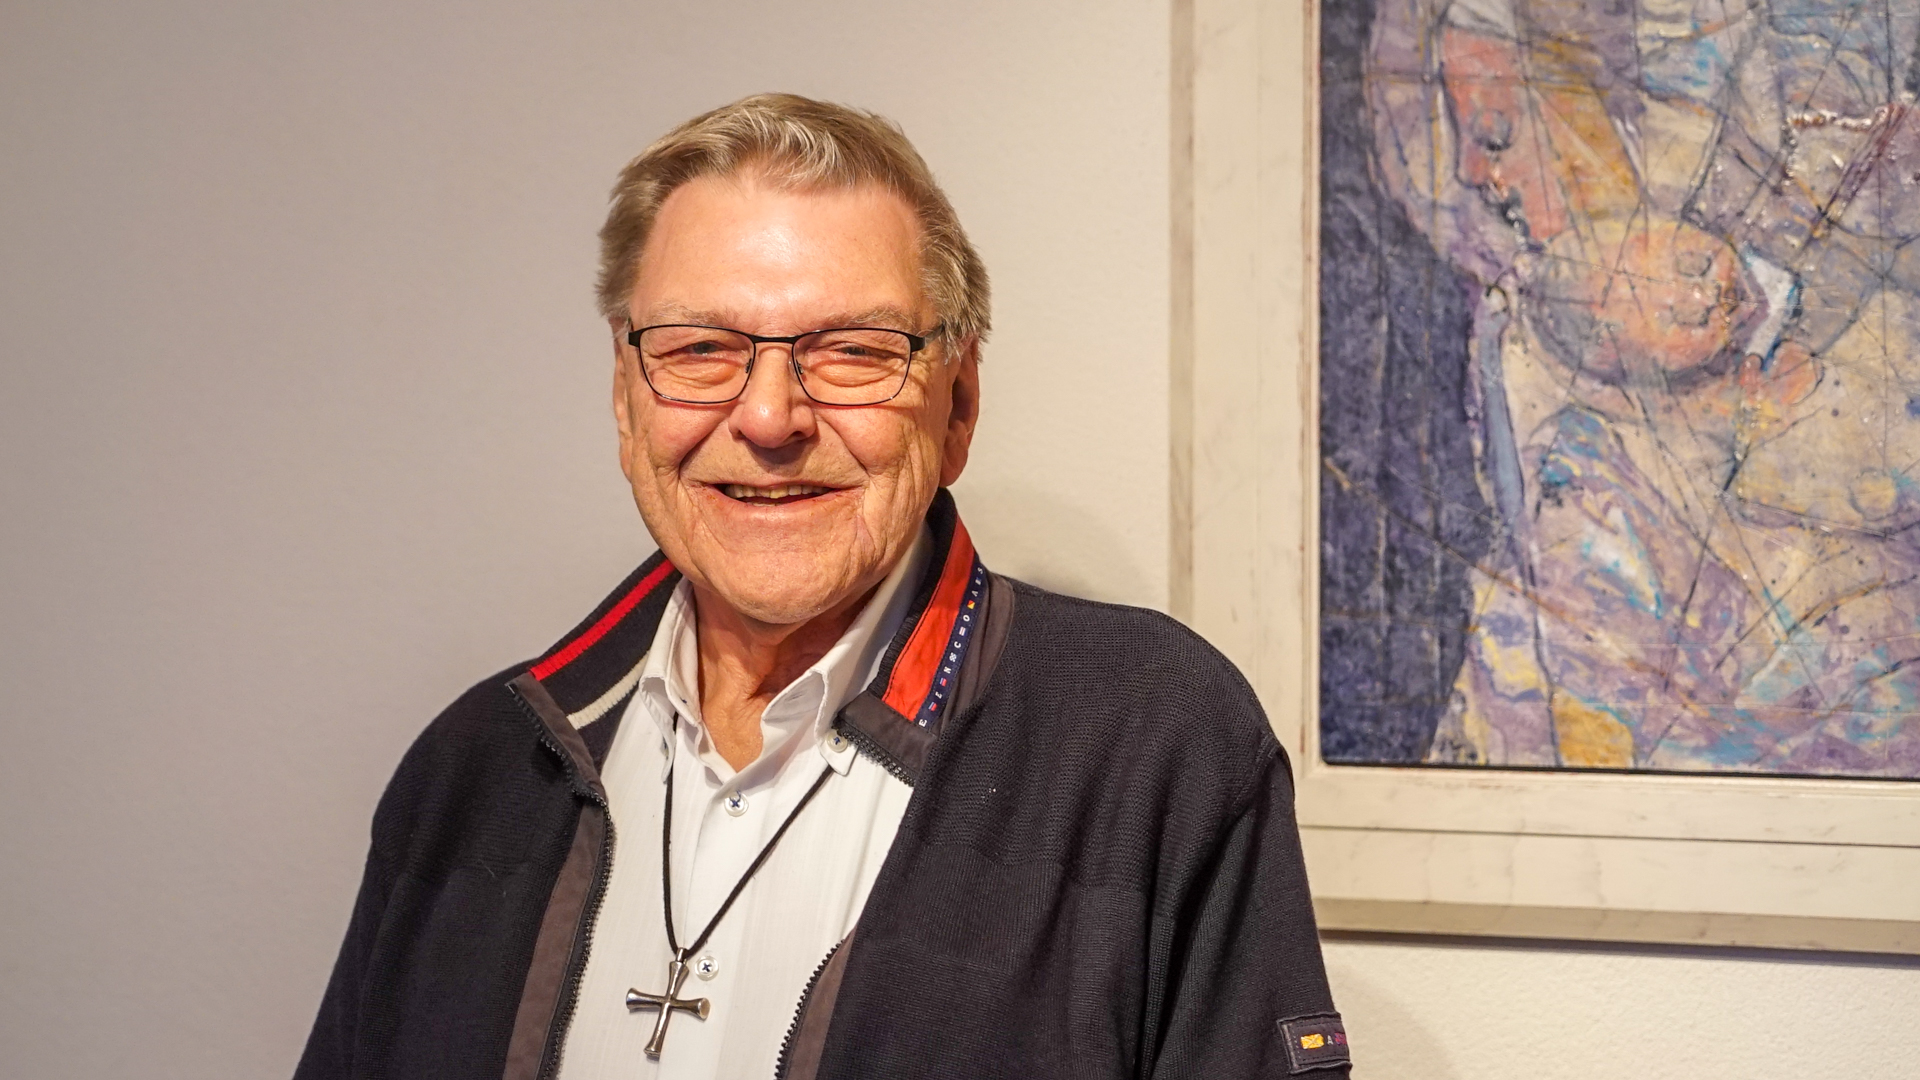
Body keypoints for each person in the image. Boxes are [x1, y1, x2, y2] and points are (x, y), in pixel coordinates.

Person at [294, 92, 1348, 1080]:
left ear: (960, 403)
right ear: (625, 399)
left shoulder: (1151, 744)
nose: (768, 418)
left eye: (850, 351)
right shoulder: (474, 772)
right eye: (700, 348)